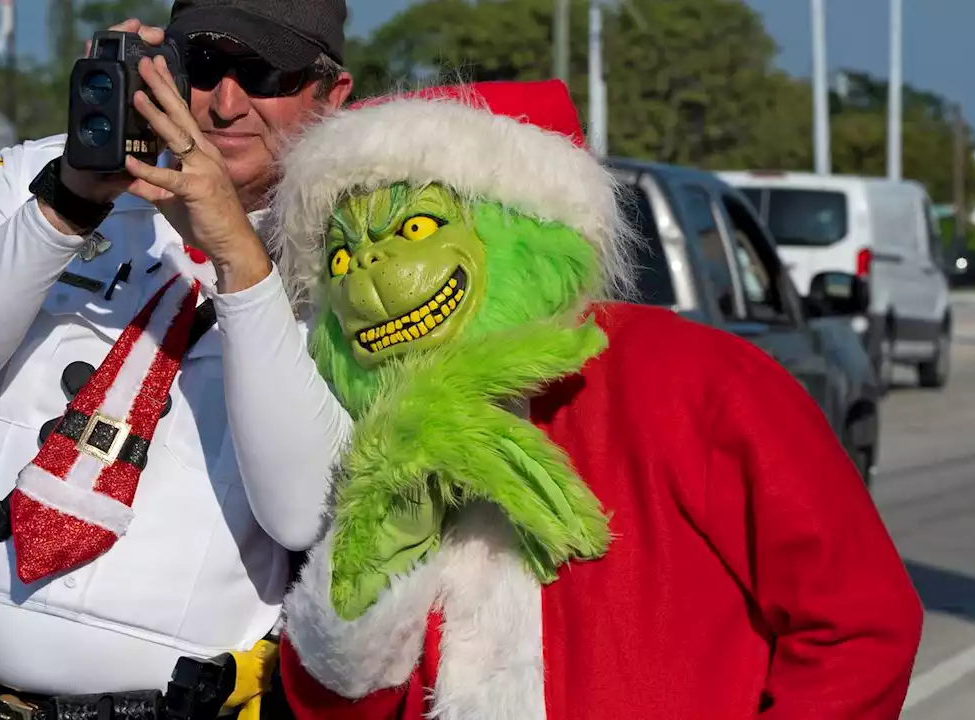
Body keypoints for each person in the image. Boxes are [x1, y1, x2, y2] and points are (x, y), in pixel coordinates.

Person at [262, 80, 925, 718]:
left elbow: (859, 625)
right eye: (342, 259)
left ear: (516, 222)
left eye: (412, 231)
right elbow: (331, 705)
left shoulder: (697, 379)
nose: (368, 275)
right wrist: (380, 542)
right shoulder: (376, 432)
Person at [0, 0, 354, 709]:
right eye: (206, 66)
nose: (225, 104)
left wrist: (240, 262)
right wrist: (66, 207)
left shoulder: (358, 249)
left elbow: (305, 515)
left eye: (264, 74)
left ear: (330, 94)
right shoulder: (39, 173)